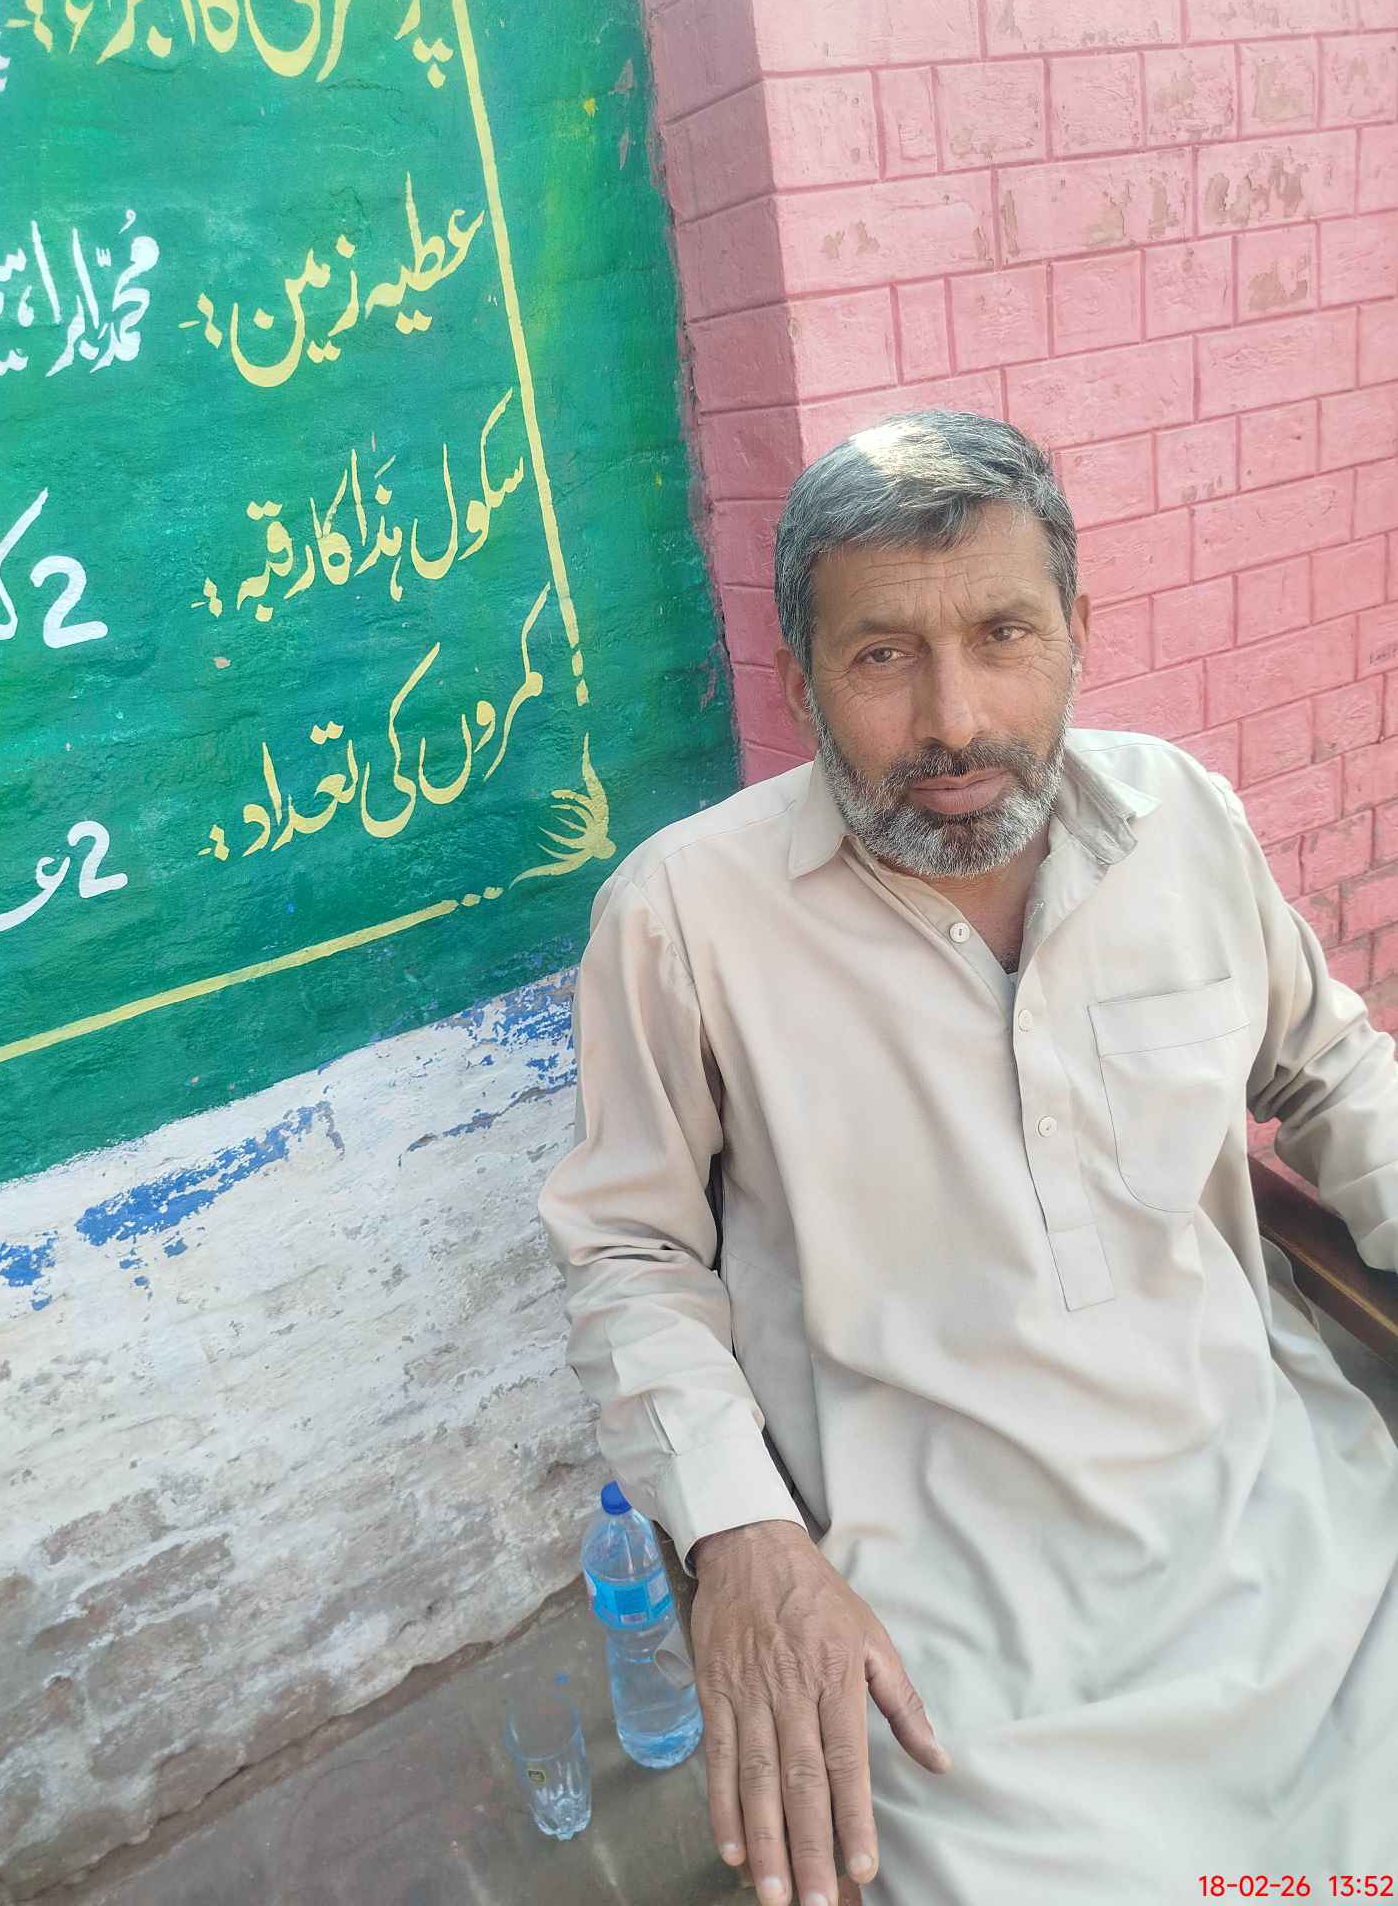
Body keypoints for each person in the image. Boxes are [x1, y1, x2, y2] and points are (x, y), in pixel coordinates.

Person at [537, 409, 1398, 1905]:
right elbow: (630, 1249)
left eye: (1004, 634)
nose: (953, 720)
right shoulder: (683, 918)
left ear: (1077, 631)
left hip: (1286, 1518)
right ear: (799, 680)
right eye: (883, 655)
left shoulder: (1181, 822)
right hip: (945, 1625)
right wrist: (740, 1535)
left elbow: (1326, 1069)